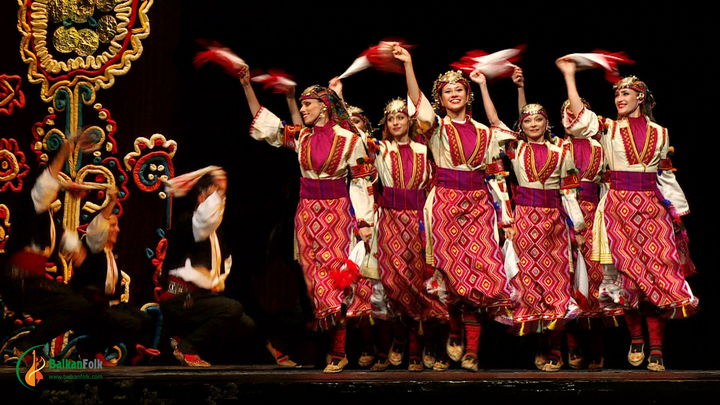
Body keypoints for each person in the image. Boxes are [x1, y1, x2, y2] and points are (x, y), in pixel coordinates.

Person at [556, 58, 698, 372]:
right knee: (628, 277)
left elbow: (665, 175)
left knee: (657, 276)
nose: (619, 99)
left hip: (651, 209)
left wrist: (677, 213)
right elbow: (579, 120)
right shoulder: (607, 128)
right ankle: (636, 338)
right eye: (617, 95)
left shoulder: (661, 133)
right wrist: (569, 76)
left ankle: (657, 348)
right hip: (617, 207)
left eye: (625, 94)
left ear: (640, 98)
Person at [239, 67, 375, 373]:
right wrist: (247, 86)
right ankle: (334, 346)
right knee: (317, 286)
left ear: (323, 106)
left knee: (338, 281)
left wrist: (365, 221)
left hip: (338, 213)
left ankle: (340, 350)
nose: (302, 109)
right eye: (301, 105)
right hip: (307, 215)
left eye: (307, 105)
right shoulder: (302, 137)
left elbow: (362, 182)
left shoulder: (351, 140)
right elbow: (265, 123)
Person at [395, 46, 514, 372]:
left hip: (478, 204)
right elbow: (418, 109)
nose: (454, 94)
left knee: (482, 273)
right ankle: (454, 326)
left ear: (467, 94)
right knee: (449, 273)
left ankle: (473, 350)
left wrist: (506, 213)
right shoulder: (434, 127)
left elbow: (496, 175)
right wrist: (408, 65)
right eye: (447, 91)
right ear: (441, 98)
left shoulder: (485, 133)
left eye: (459, 89)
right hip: (445, 203)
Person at [480, 68, 588, 371]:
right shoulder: (515, 148)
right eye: (526, 120)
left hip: (554, 221)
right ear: (522, 126)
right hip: (526, 221)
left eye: (538, 119)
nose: (532, 124)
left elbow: (569, 193)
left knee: (557, 282)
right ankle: (541, 344)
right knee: (530, 283)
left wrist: (578, 227)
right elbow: (494, 123)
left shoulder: (562, 150)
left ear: (546, 122)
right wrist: (484, 86)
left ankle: (556, 345)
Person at [0, 141, 92, 364]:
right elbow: (46, 183)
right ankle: (26, 345)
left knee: (72, 307)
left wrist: (77, 250)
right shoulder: (33, 202)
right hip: (20, 279)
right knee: (76, 305)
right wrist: (63, 152)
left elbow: (60, 236)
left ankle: (30, 347)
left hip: (28, 281)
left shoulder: (43, 216)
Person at [159, 167, 257, 367]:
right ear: (201, 199)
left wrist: (212, 281)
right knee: (232, 308)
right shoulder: (190, 223)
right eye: (213, 197)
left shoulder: (216, 234)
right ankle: (185, 347)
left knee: (247, 325)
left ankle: (185, 339)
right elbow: (203, 220)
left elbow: (223, 266)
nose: (219, 203)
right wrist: (219, 190)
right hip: (180, 299)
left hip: (200, 299)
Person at [69, 186, 159, 365]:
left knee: (147, 319)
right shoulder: (94, 249)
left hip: (110, 307)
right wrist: (112, 201)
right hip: (89, 308)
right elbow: (96, 229)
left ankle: (138, 352)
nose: (117, 229)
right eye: (112, 225)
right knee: (125, 322)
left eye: (117, 225)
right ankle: (90, 348)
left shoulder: (111, 255)